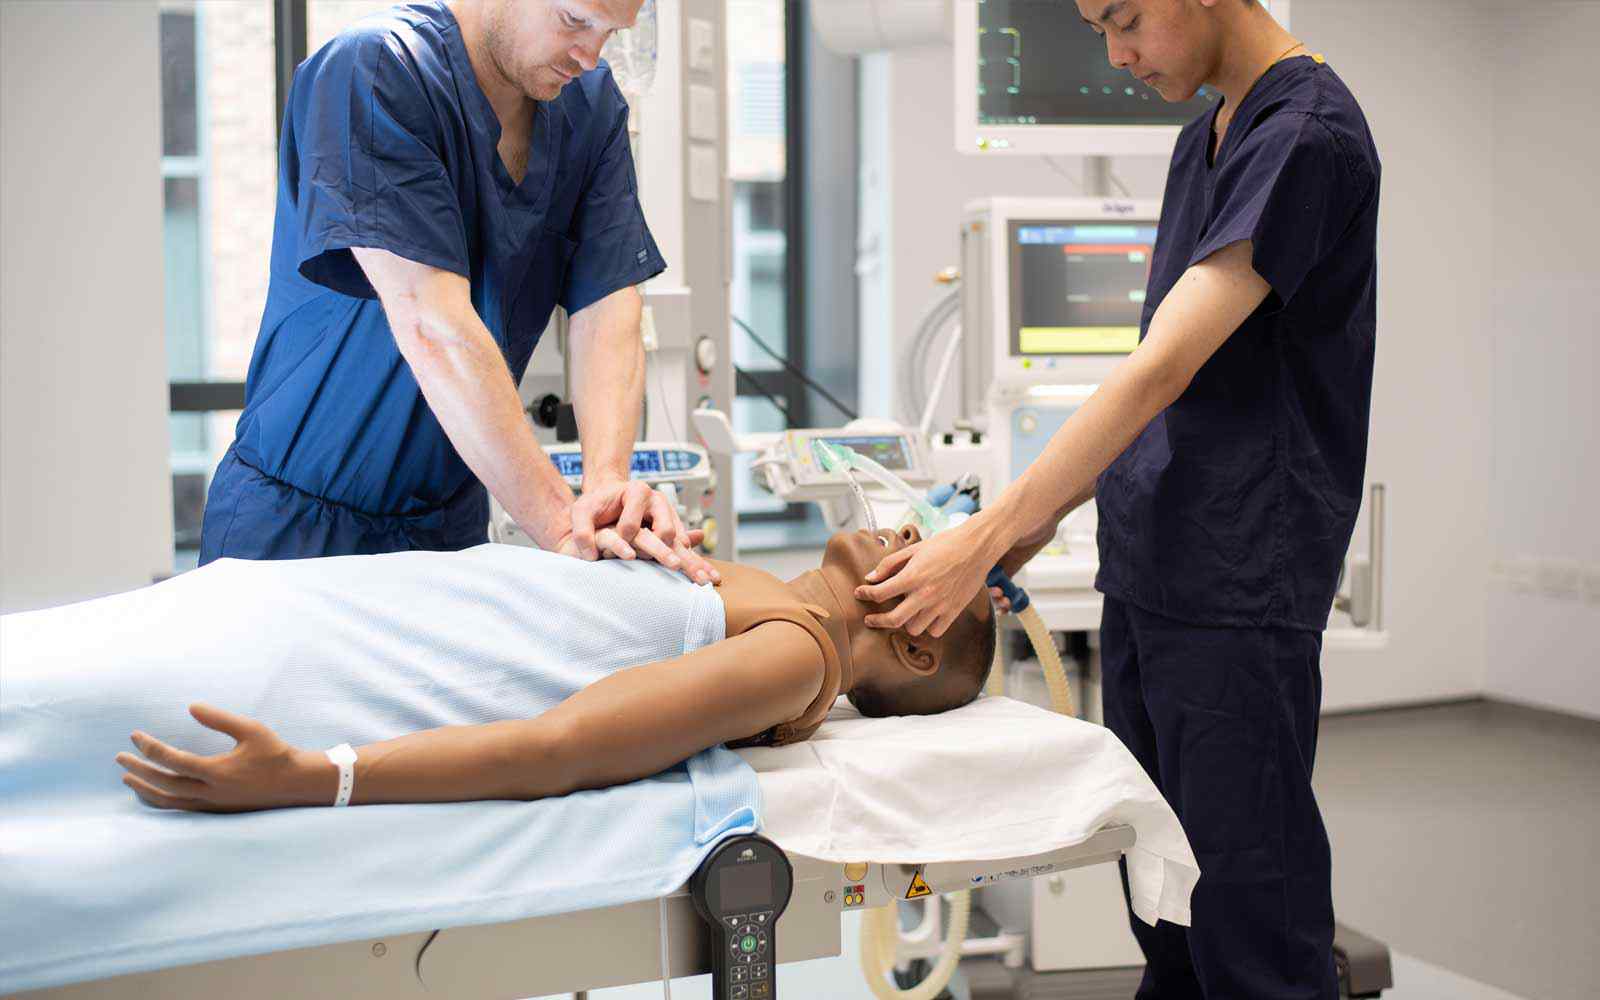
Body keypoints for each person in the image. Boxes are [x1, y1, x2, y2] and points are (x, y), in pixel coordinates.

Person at [855, 1, 1380, 996]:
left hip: (1236, 575)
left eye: (1128, 19)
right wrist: (1033, 524)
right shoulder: (1202, 140)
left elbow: (1159, 370)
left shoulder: (1306, 136)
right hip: (1153, 558)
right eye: (1098, 24)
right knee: (1165, 896)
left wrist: (987, 534)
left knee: (1246, 918)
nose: (1116, 54)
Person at [199, 0, 716, 587]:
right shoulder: (375, 73)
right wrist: (563, 528)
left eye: (611, 31)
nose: (592, 55)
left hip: (448, 531)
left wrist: (607, 496)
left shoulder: (591, 110)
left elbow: (608, 309)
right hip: (296, 530)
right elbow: (431, 322)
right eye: (575, 21)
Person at [0, 528, 992, 814]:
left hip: (316, 664)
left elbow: (563, 749)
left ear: (915, 644)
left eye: (936, 556)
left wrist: (319, 776)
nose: (910, 529)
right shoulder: (762, 594)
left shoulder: (795, 655)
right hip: (307, 612)